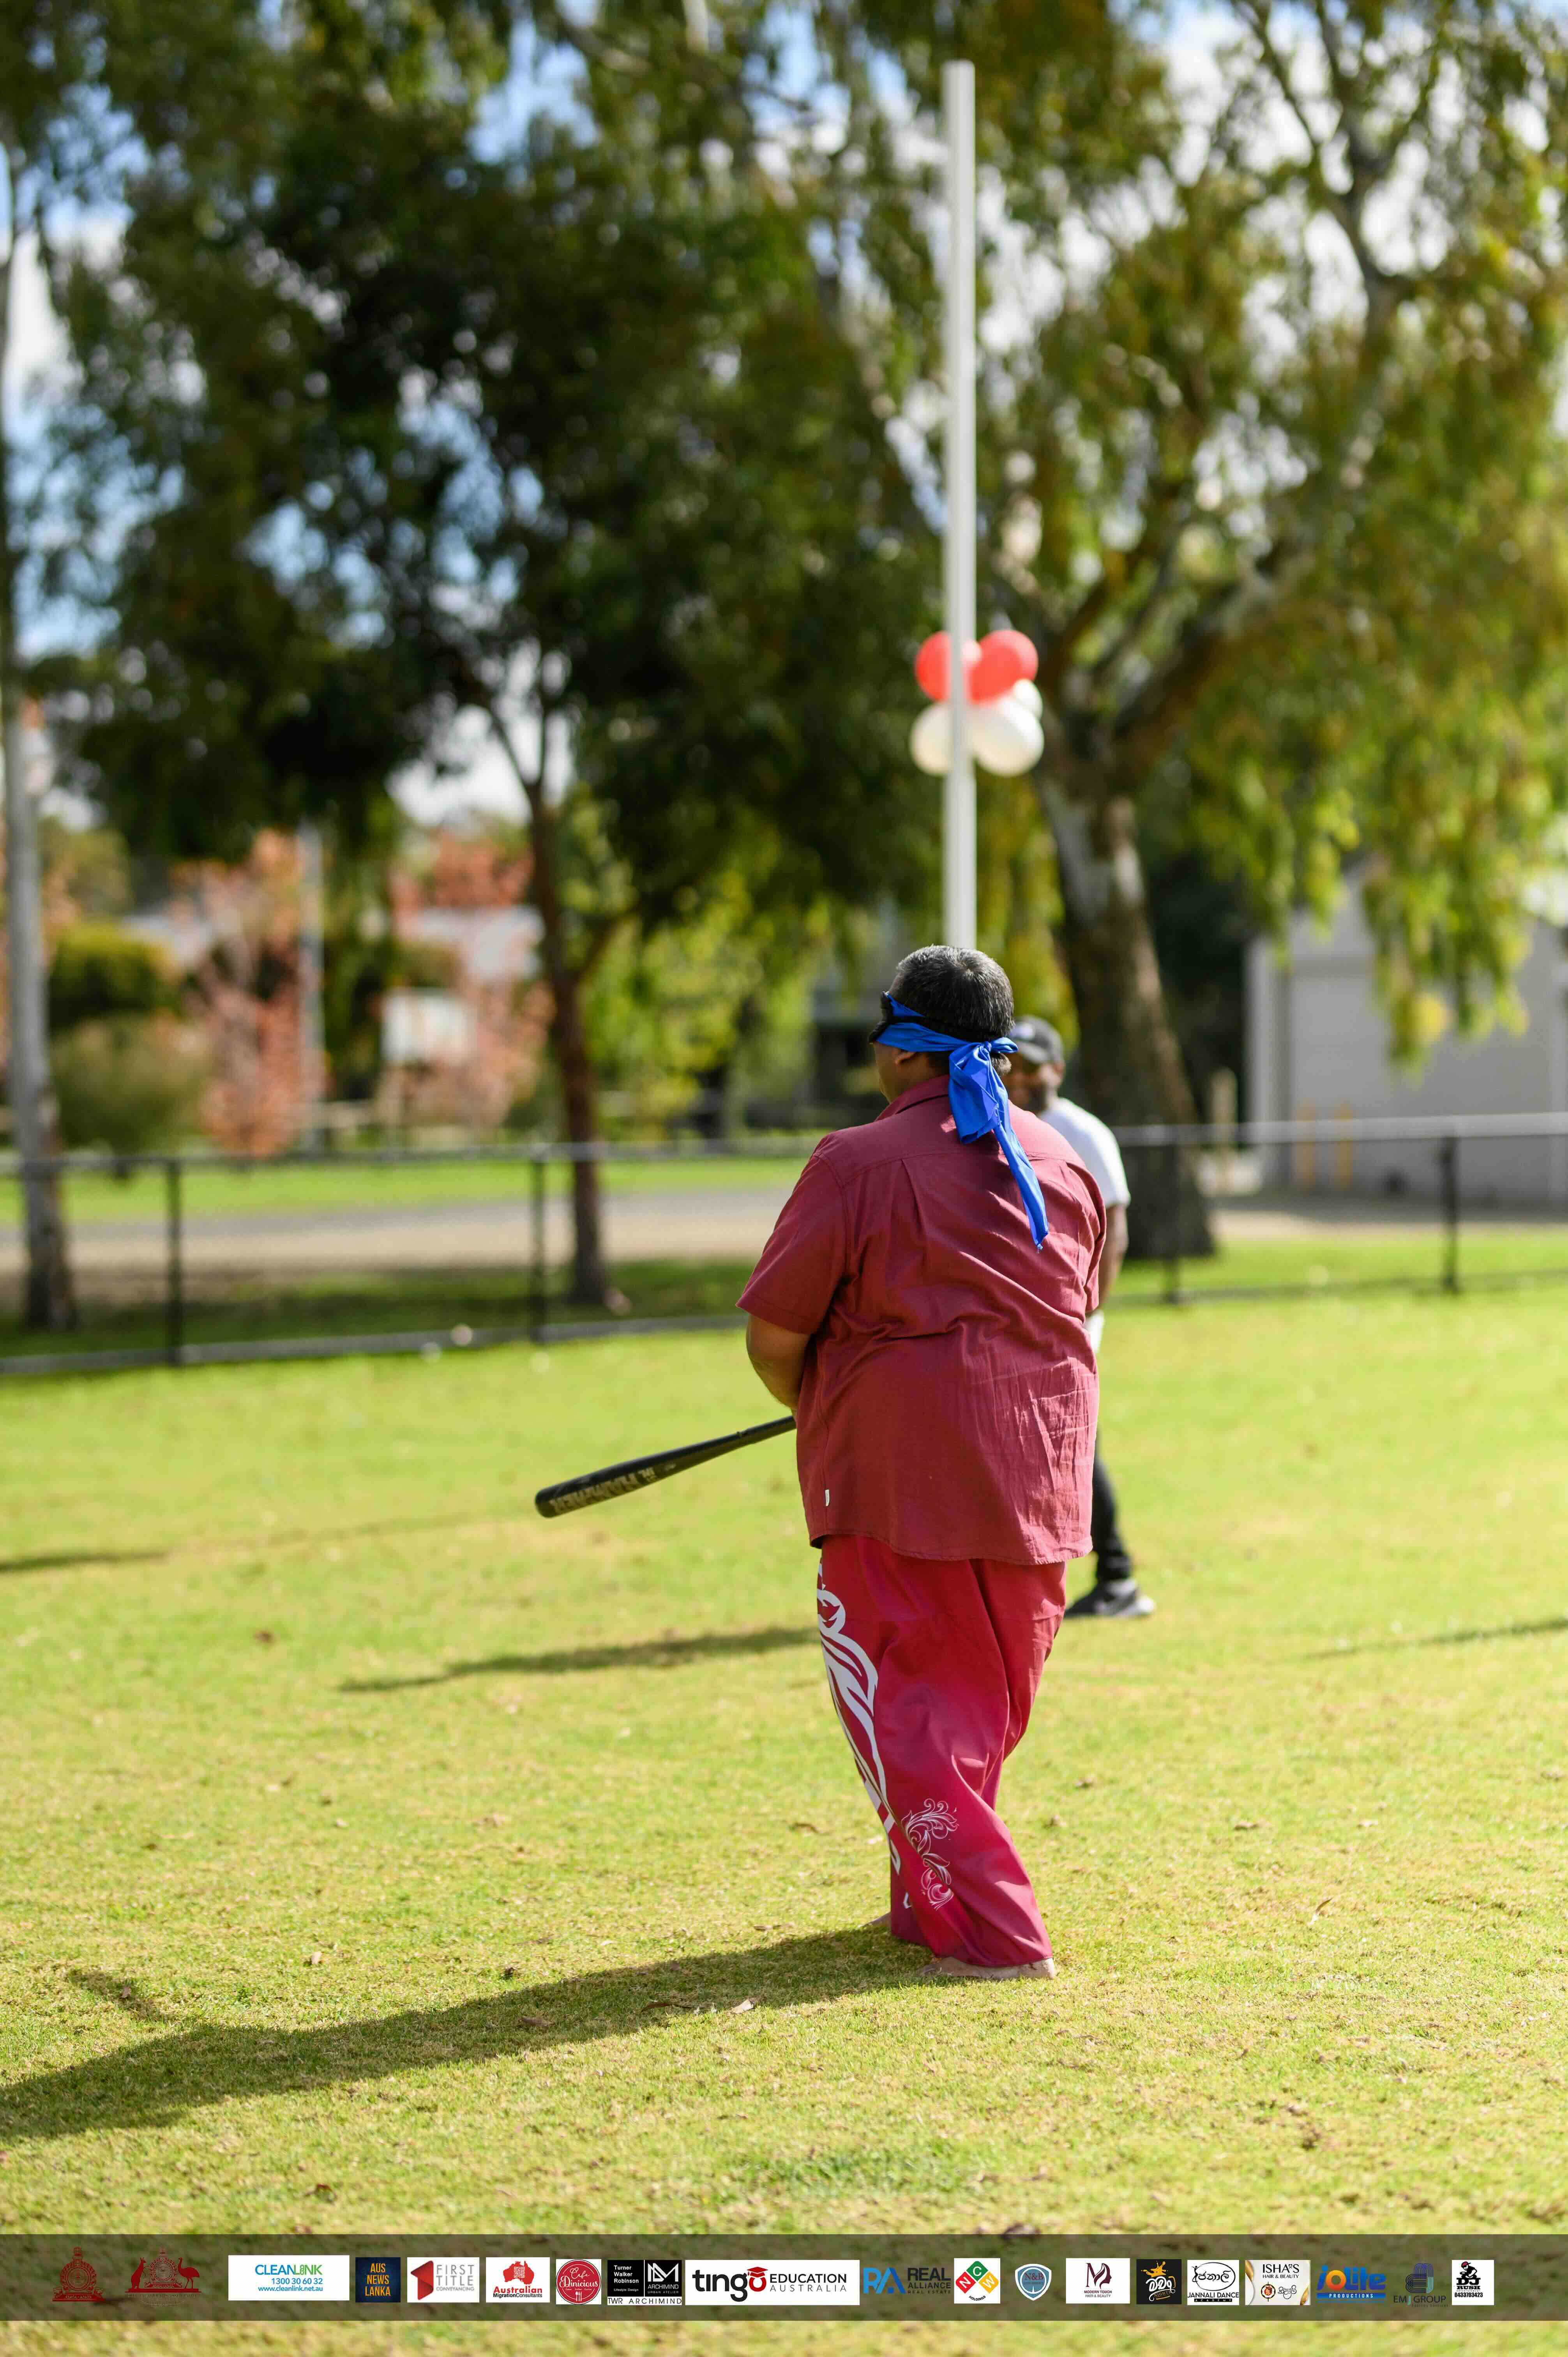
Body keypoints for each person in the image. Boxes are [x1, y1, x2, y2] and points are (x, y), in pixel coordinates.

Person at [738, 945, 1105, 1981]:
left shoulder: (852, 1164)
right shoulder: (1063, 1159)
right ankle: (926, 1903)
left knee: (908, 1712)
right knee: (971, 1715)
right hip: (1040, 1477)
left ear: (903, 1049)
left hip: (900, 1486)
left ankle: (997, 1935)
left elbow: (775, 1337)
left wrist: (823, 1399)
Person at [1004, 1017, 1154, 1620]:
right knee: (1039, 1445)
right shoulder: (1005, 1127)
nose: (1018, 1075)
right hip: (1025, 1320)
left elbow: (1113, 1231)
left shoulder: (1079, 1132)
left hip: (1068, 1323)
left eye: (1031, 1065)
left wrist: (1088, 1314)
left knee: (1073, 1446)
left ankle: (1116, 1575)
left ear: (1057, 1071)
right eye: (1010, 1062)